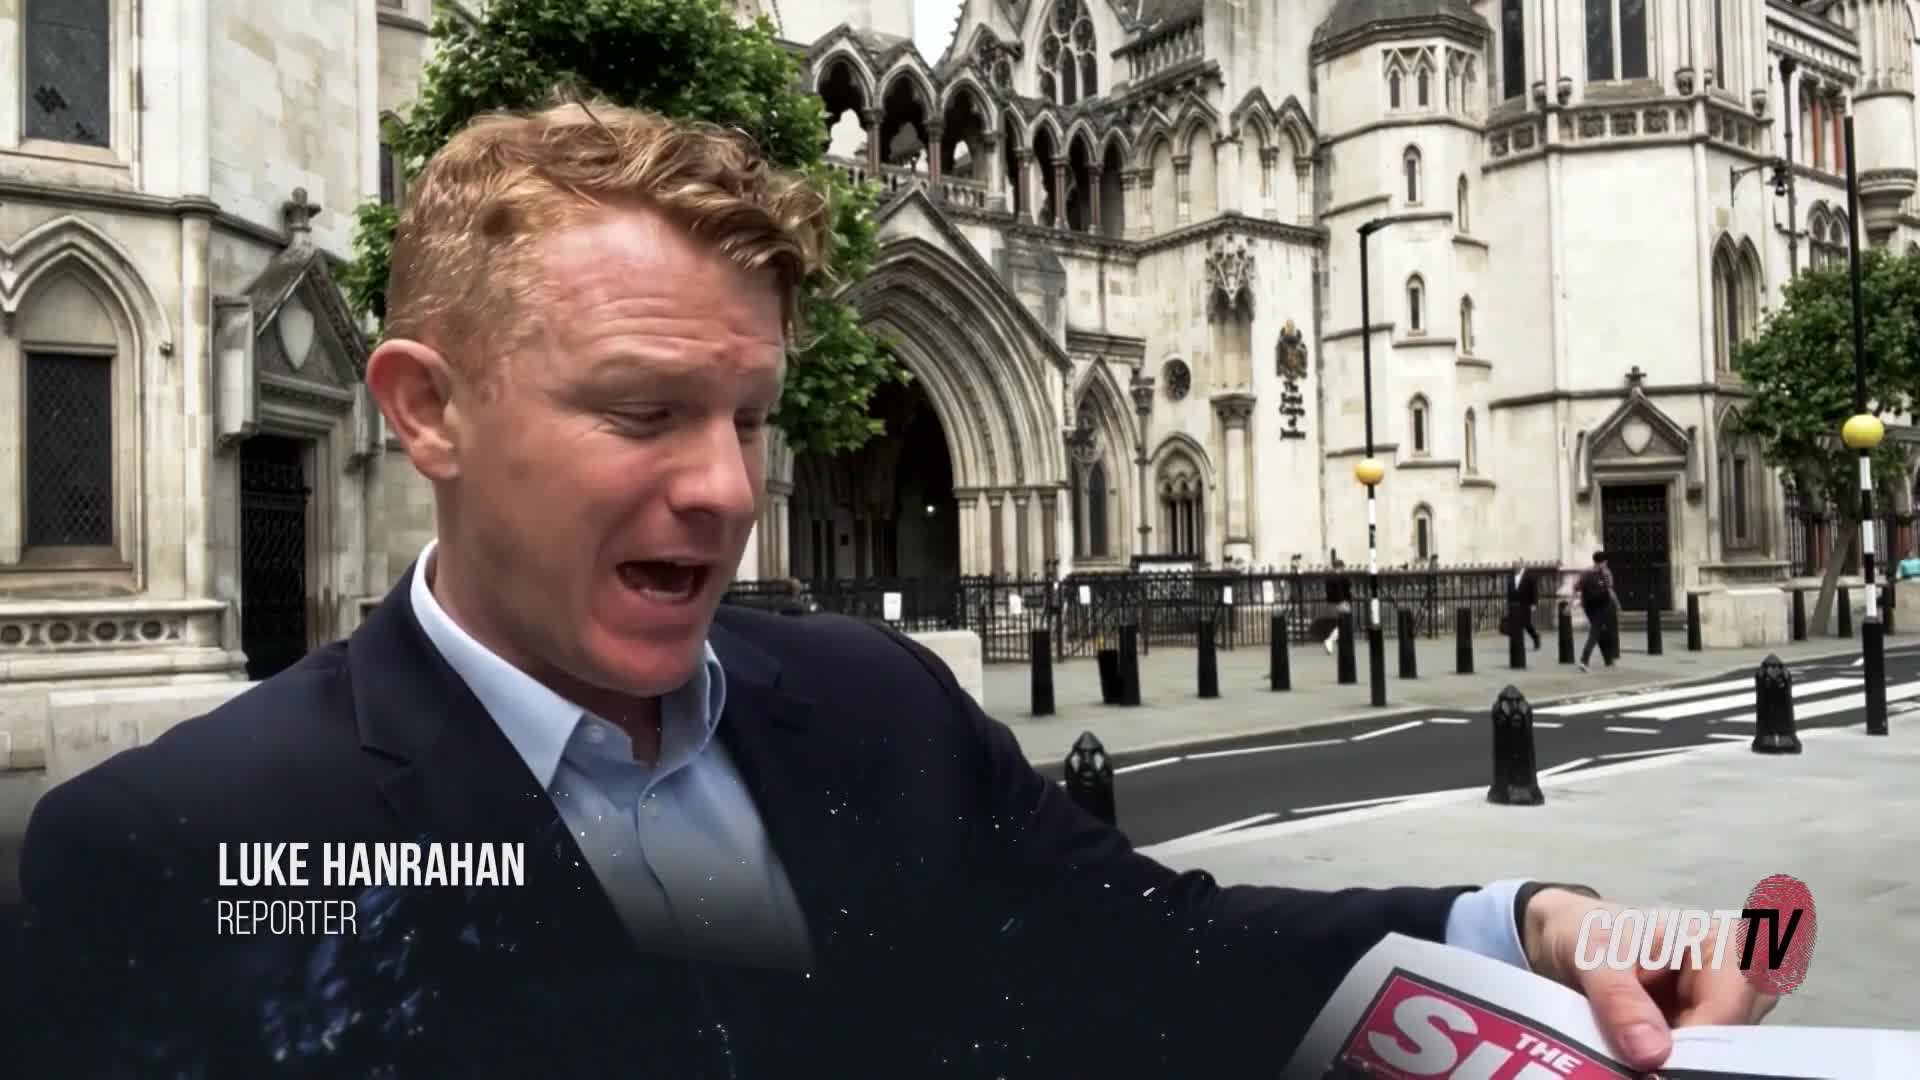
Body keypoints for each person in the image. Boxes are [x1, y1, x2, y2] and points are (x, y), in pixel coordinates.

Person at [14, 102, 1769, 1077]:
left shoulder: (878, 712)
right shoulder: (176, 851)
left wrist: (1530, 926)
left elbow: (1148, 955)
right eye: (641, 409)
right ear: (427, 411)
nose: (726, 485)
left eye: (751, 415)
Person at [1577, 550, 1619, 672]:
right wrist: (1617, 604)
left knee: (1601, 632)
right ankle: (1584, 660)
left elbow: (1577, 588)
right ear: (1603, 562)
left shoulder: (1585, 573)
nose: (1606, 564)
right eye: (1605, 562)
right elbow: (1610, 589)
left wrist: (1571, 604)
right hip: (1601, 607)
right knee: (1595, 632)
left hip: (1589, 607)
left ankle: (1608, 660)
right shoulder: (1605, 573)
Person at [1504, 560, 1541, 651]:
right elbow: (1509, 590)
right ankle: (1517, 644)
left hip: (1526, 603)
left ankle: (1536, 637)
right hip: (1514, 605)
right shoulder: (1511, 576)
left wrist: (1534, 604)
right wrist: (1508, 602)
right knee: (1514, 624)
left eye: (1516, 565)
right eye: (1513, 566)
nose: (1514, 567)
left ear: (1521, 565)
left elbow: (1534, 591)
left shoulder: (1529, 576)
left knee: (1526, 623)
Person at [1321, 557, 1354, 655]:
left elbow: (1329, 592)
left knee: (1337, 624)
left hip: (1331, 603)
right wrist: (1345, 601)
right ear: (1341, 567)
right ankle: (1330, 640)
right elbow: (1347, 590)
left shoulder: (1329, 578)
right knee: (1344, 624)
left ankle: (1334, 641)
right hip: (1341, 603)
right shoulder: (1343, 577)